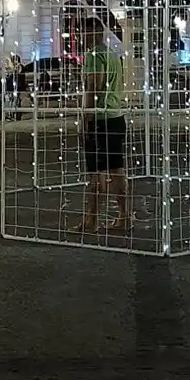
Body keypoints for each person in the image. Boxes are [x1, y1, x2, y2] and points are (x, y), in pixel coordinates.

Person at [76, 17, 130, 233]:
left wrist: (85, 121)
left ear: (95, 33)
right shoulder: (112, 55)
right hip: (116, 117)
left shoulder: (94, 56)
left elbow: (93, 90)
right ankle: (124, 215)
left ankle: (91, 219)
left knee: (96, 172)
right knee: (117, 170)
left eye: (84, 32)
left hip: (100, 120)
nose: (82, 37)